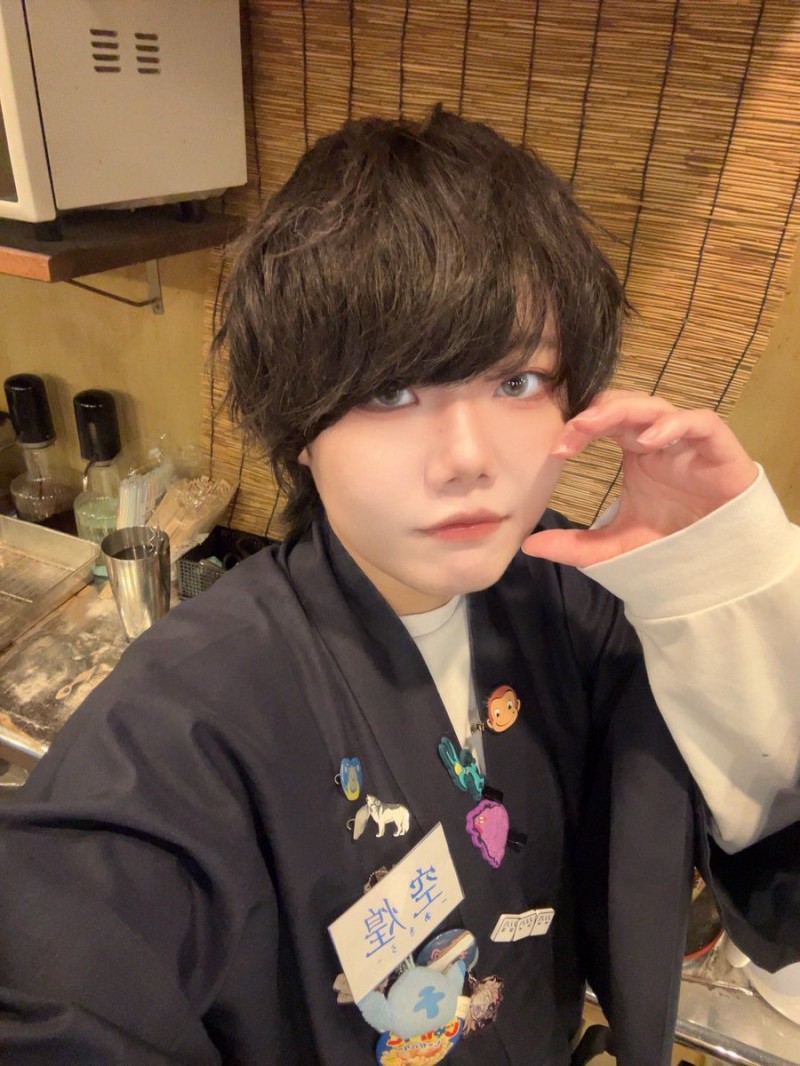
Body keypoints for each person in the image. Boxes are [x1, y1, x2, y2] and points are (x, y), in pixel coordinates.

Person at [0, 107, 798, 1066]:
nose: (468, 459)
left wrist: (724, 579)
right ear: (298, 427)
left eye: (517, 382)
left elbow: (776, 870)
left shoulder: (574, 602)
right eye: (391, 392)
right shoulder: (194, 715)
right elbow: (57, 967)